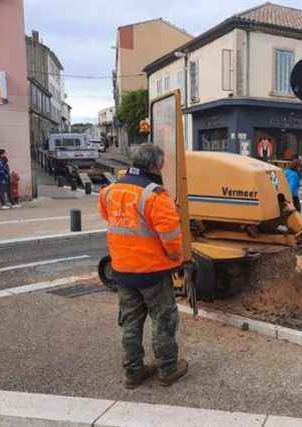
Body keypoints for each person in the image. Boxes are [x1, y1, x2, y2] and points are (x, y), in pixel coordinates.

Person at [98, 144, 188, 389]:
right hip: (152, 272)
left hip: (122, 271)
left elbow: (110, 219)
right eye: (160, 165)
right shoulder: (155, 195)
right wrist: (177, 260)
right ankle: (168, 368)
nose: (161, 169)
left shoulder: (109, 191)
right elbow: (171, 237)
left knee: (130, 321)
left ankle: (133, 371)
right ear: (152, 166)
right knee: (163, 319)